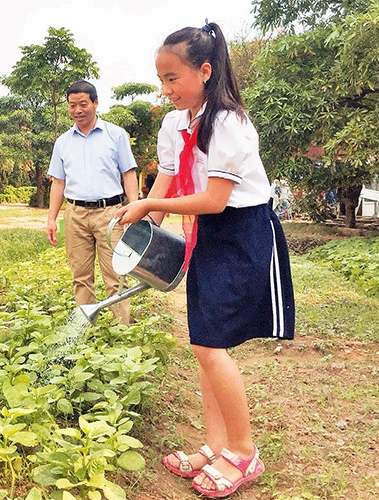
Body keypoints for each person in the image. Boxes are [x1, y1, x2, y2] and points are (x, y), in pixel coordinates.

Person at [115, 22, 295, 497]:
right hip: (206, 234)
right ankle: (215, 446)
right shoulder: (175, 123)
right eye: (161, 79)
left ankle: (244, 452)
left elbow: (215, 199)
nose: (166, 88)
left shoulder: (229, 122)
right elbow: (168, 179)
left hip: (240, 232)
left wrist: (151, 207)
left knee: (213, 346)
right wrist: (145, 219)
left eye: (173, 78)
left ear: (205, 71)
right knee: (203, 345)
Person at [46, 80, 139, 325]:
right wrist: (51, 218)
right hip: (75, 214)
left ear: (95, 103)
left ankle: (121, 331)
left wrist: (134, 209)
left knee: (116, 274)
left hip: (111, 213)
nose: (78, 110)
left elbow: (129, 173)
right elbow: (58, 182)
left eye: (83, 104)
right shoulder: (62, 142)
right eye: (72, 105)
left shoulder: (115, 135)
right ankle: (88, 330)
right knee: (81, 276)